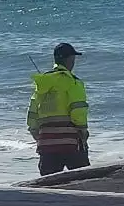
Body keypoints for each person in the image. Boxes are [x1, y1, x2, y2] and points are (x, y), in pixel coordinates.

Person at [27, 42, 90, 176]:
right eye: (73, 59)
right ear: (69, 59)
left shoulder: (42, 83)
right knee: (85, 180)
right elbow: (78, 111)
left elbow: (32, 111)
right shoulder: (73, 82)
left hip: (46, 144)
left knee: (48, 187)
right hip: (71, 143)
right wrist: (83, 131)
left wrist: (36, 133)